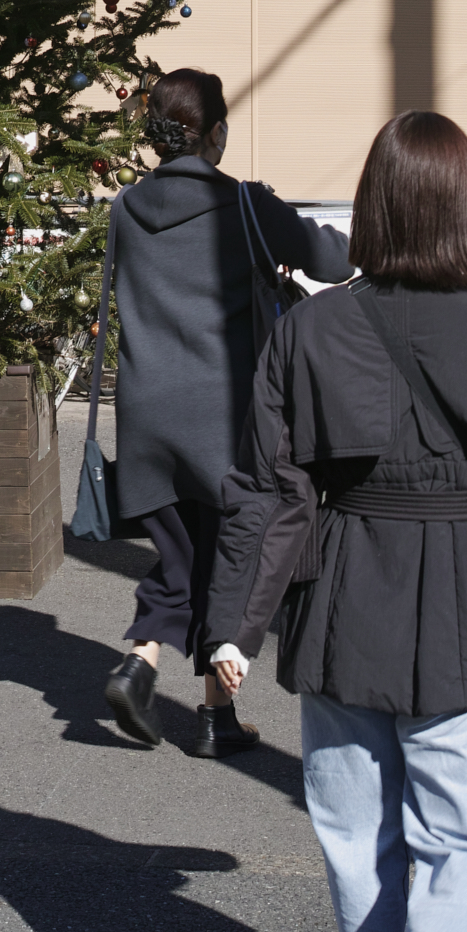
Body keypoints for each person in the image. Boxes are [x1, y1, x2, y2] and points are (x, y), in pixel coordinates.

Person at [203, 111, 467, 932]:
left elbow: (269, 488)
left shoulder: (308, 330)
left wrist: (232, 624)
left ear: (373, 209)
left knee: (357, 842)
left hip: (343, 595)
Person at [98, 69, 350, 759]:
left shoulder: (126, 206)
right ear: (214, 133)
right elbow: (330, 259)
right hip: (227, 413)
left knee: (182, 554)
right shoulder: (244, 203)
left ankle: (142, 663)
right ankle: (213, 717)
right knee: (231, 556)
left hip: (147, 411)